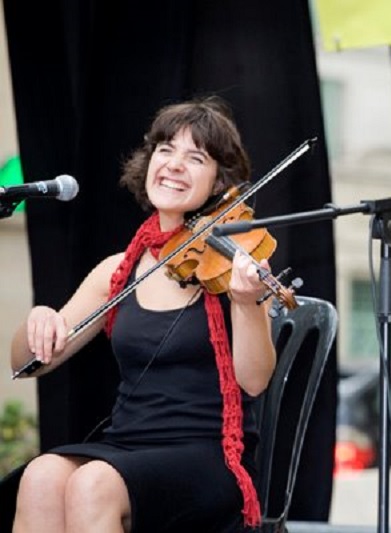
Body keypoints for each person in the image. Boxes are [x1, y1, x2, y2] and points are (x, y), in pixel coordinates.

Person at [9, 96, 277, 532]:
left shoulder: (231, 264)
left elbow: (254, 380)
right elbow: (28, 365)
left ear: (217, 184)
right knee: (41, 476)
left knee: (92, 483)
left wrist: (247, 304)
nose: (173, 164)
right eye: (165, 150)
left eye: (195, 157)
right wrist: (39, 321)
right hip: (128, 445)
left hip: (208, 455)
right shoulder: (117, 271)